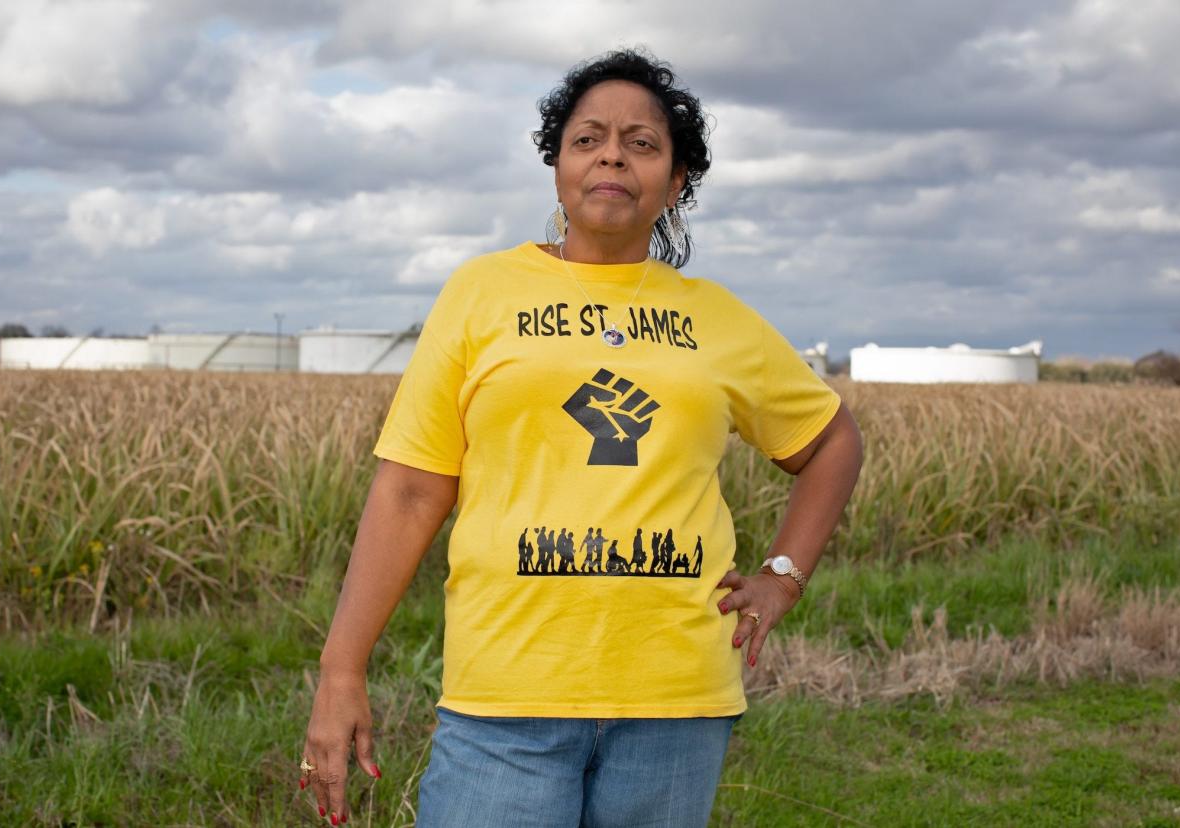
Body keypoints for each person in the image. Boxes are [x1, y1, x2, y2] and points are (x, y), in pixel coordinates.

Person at [300, 48, 863, 827]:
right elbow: (411, 488)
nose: (612, 155)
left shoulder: (718, 318)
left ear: (677, 183)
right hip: (505, 696)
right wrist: (341, 669)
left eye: (642, 143)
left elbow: (831, 440)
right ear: (557, 166)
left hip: (676, 703)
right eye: (589, 137)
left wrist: (783, 575)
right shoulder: (482, 293)